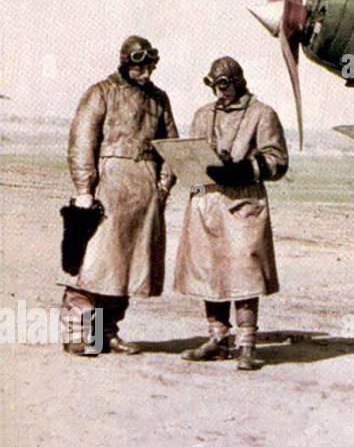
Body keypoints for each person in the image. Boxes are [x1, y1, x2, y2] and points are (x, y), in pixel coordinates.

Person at [62, 35, 177, 355]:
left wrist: (163, 187)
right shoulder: (101, 93)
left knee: (125, 268)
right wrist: (84, 190)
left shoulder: (158, 99)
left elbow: (171, 147)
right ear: (127, 63)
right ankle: (77, 334)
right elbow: (82, 143)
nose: (147, 74)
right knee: (91, 266)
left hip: (144, 193)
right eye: (141, 67)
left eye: (151, 67)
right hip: (107, 189)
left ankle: (107, 333)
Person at [175, 57, 288, 371]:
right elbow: (192, 153)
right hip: (206, 203)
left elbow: (277, 160)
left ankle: (247, 343)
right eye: (213, 85)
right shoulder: (202, 115)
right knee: (208, 271)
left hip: (243, 204)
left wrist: (242, 170)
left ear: (238, 81)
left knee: (244, 273)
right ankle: (218, 337)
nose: (219, 91)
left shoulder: (262, 114)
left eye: (224, 84)